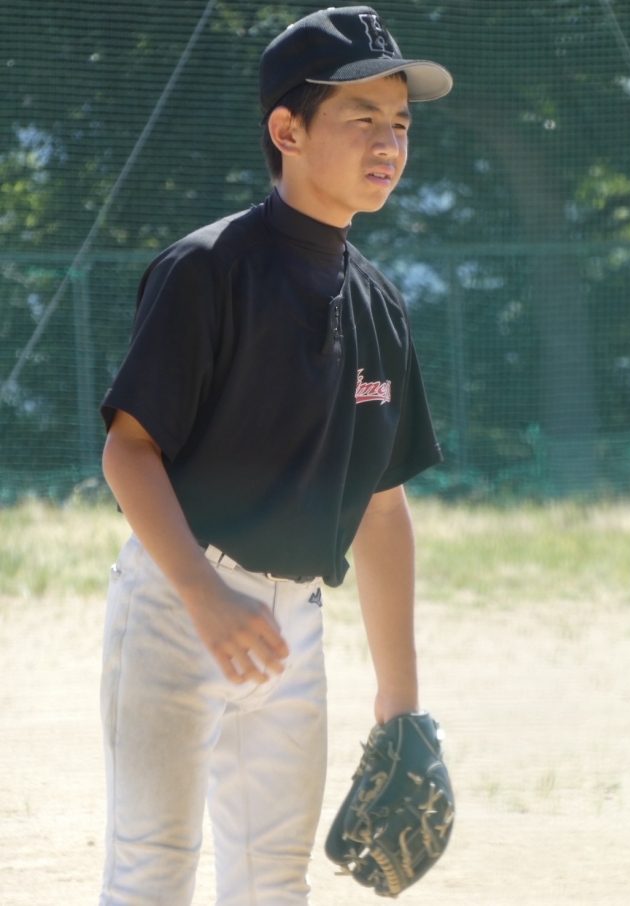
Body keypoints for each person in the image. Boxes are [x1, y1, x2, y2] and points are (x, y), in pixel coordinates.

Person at [98, 6, 452, 905]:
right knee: (151, 872)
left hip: (296, 626)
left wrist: (401, 701)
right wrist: (202, 595)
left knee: (273, 885)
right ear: (287, 131)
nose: (389, 142)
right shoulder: (208, 268)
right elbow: (128, 452)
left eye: (400, 123)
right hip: (180, 603)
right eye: (361, 118)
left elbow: (381, 509)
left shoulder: (380, 304)